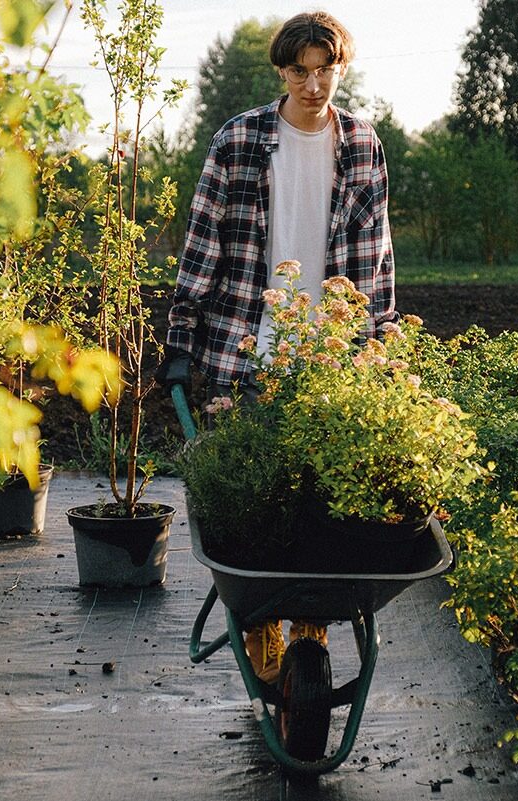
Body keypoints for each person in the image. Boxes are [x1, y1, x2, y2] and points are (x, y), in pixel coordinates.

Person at [157, 11, 398, 683]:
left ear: (339, 70)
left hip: (328, 358)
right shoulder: (239, 140)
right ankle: (262, 621)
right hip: (244, 350)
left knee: (321, 503)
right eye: (301, 70)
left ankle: (310, 628)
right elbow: (201, 245)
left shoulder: (361, 145)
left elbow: (375, 256)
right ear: (281, 72)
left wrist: (380, 337)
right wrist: (180, 339)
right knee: (254, 503)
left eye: (327, 70)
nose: (314, 84)